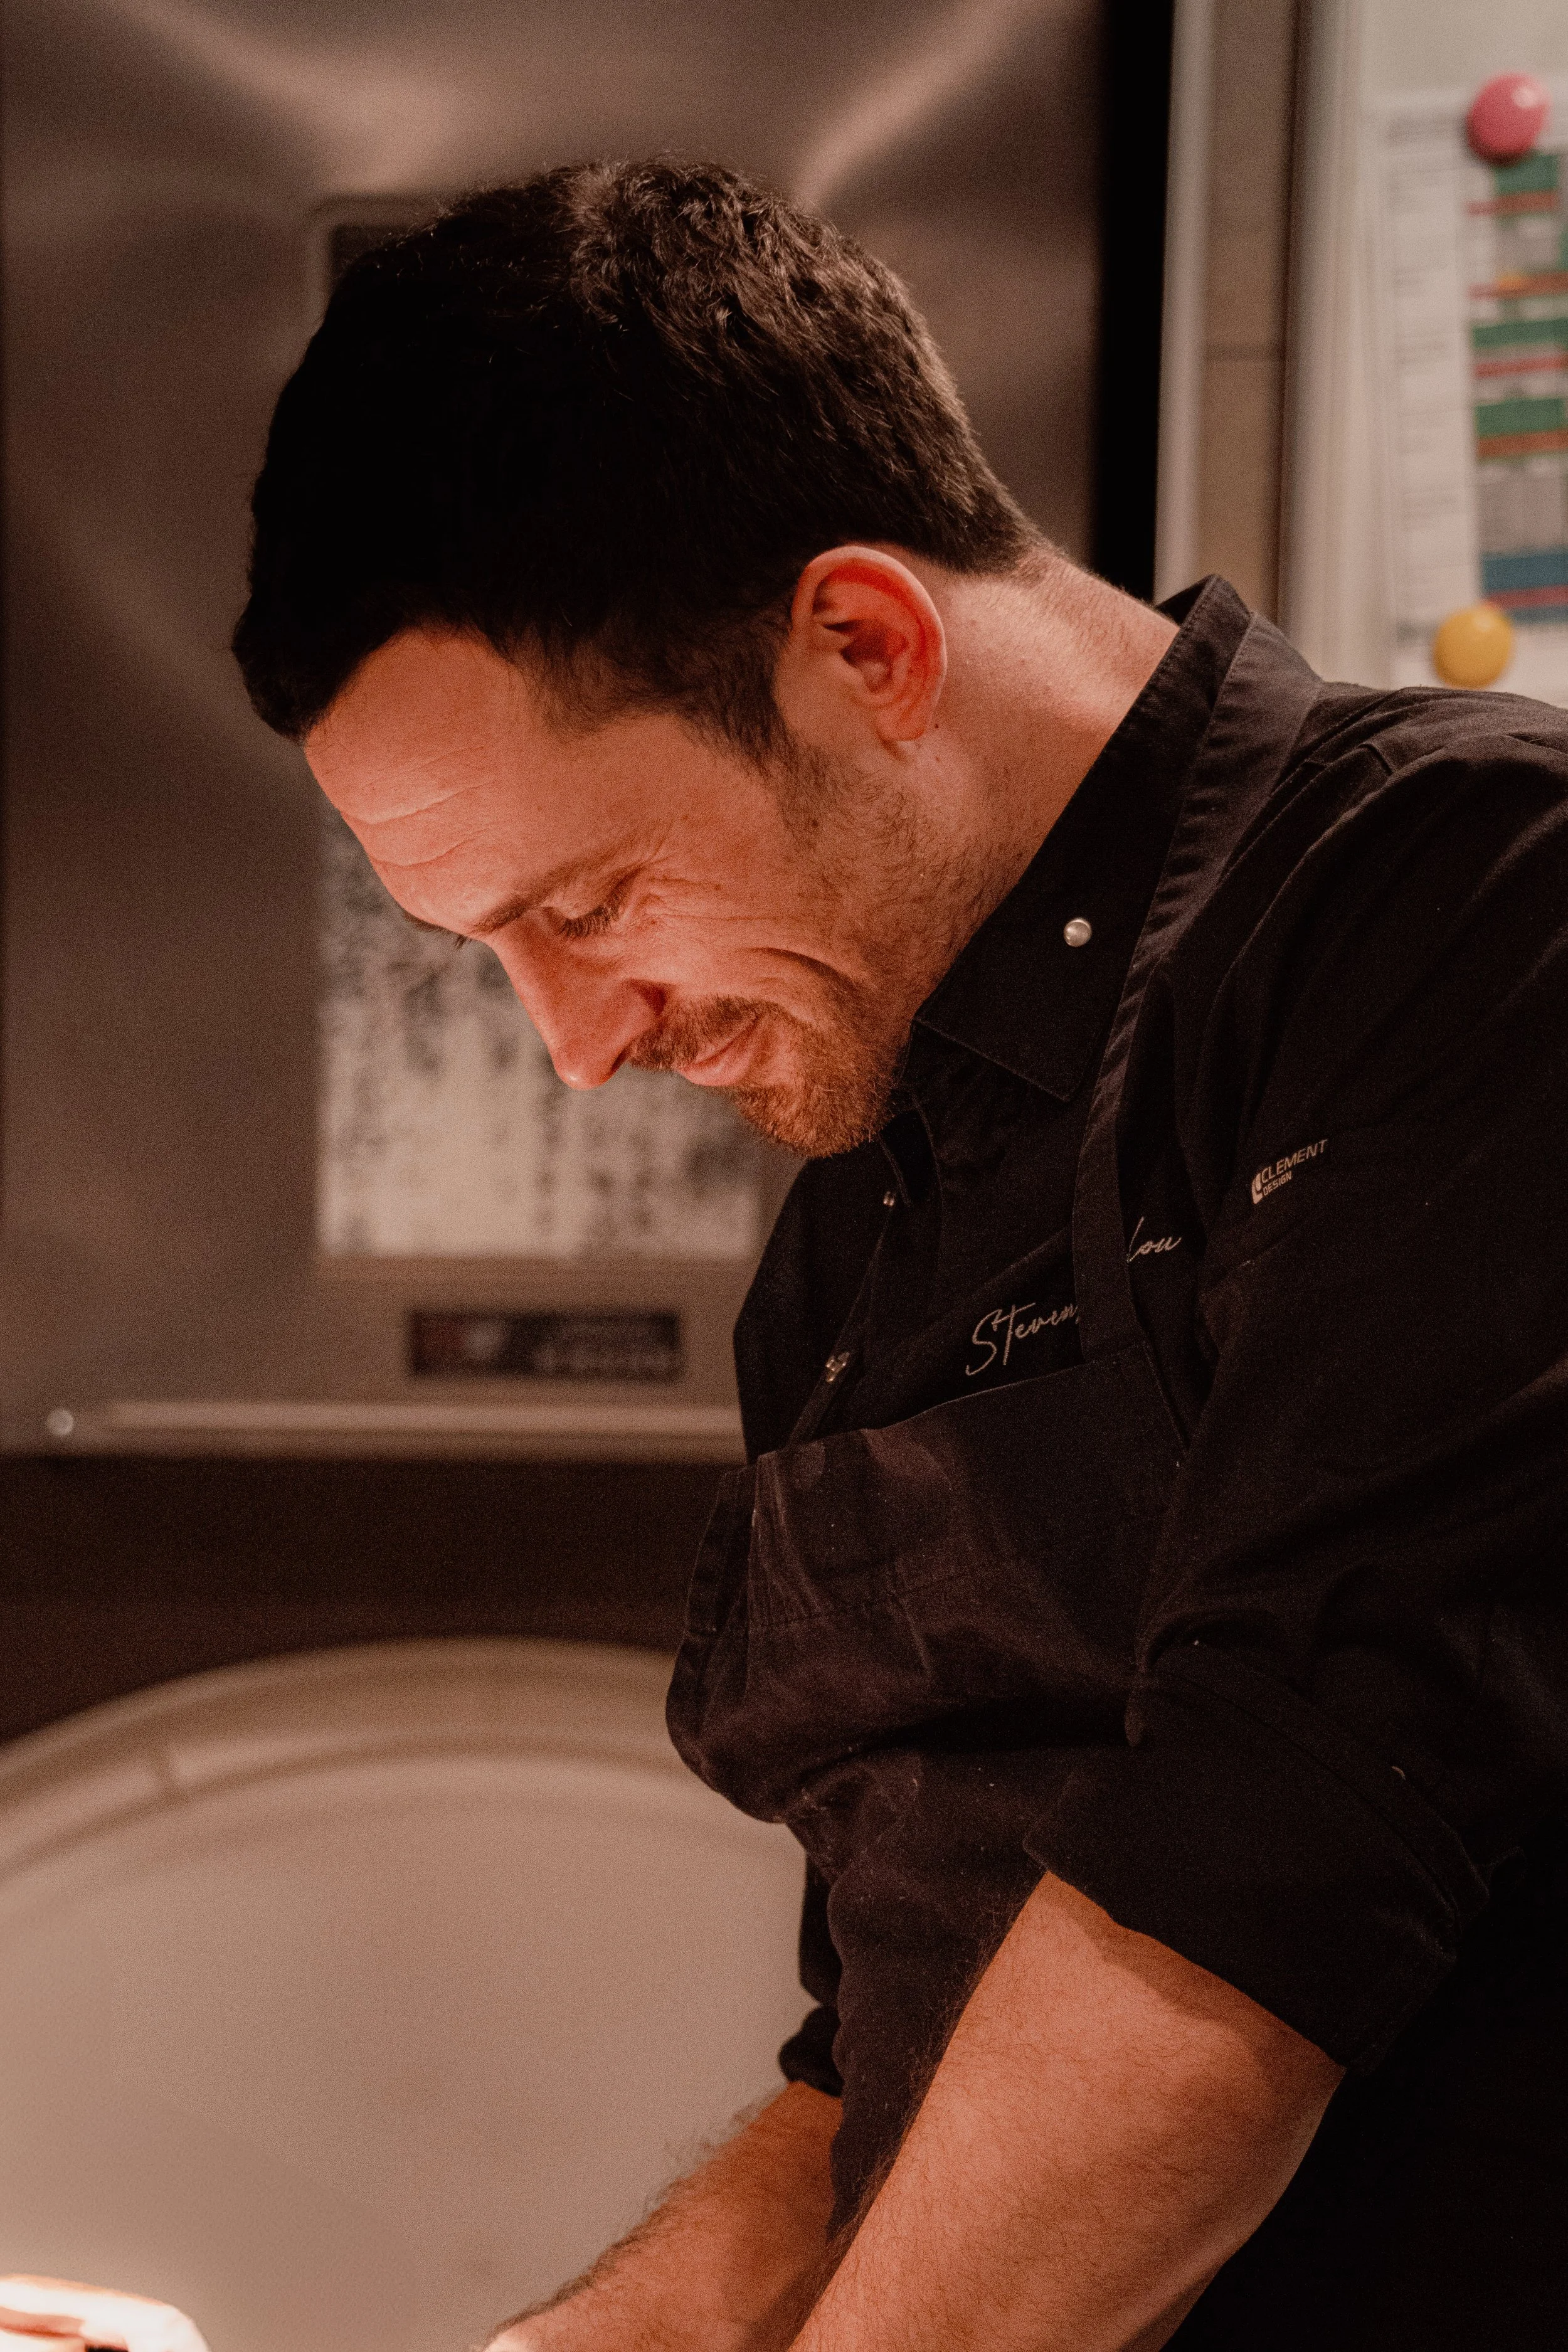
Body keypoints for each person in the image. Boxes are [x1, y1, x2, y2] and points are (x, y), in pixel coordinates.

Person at [233, 162, 1568, 2350]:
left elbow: (1280, 1845)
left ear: (864, 642)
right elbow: (890, 2054)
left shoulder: (1464, 910)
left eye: (588, 906)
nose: (574, 1047)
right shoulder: (855, 1222)